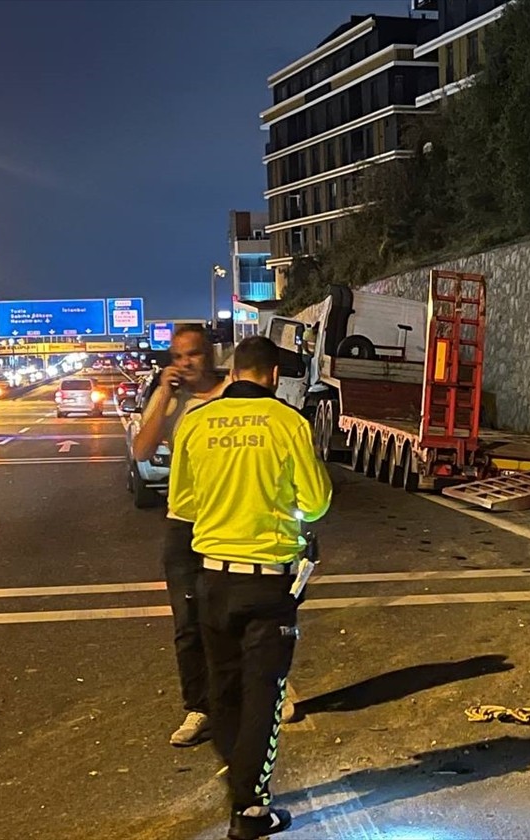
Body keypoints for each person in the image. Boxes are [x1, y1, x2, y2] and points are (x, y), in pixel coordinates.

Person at [169, 336, 332, 839]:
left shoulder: (196, 422)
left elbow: (183, 504)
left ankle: (239, 783)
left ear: (235, 371)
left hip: (212, 579)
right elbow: (317, 501)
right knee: (264, 694)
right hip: (267, 584)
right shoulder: (288, 423)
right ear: (274, 375)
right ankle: (251, 809)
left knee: (224, 689)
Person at [133, 325, 225, 747]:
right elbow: (142, 450)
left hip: (232, 521)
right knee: (188, 621)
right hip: (185, 521)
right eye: (178, 356)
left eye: (194, 354)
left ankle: (258, 691)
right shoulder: (170, 399)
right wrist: (165, 398)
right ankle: (200, 706)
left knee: (240, 614)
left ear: (211, 355)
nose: (185, 363)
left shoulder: (232, 392)